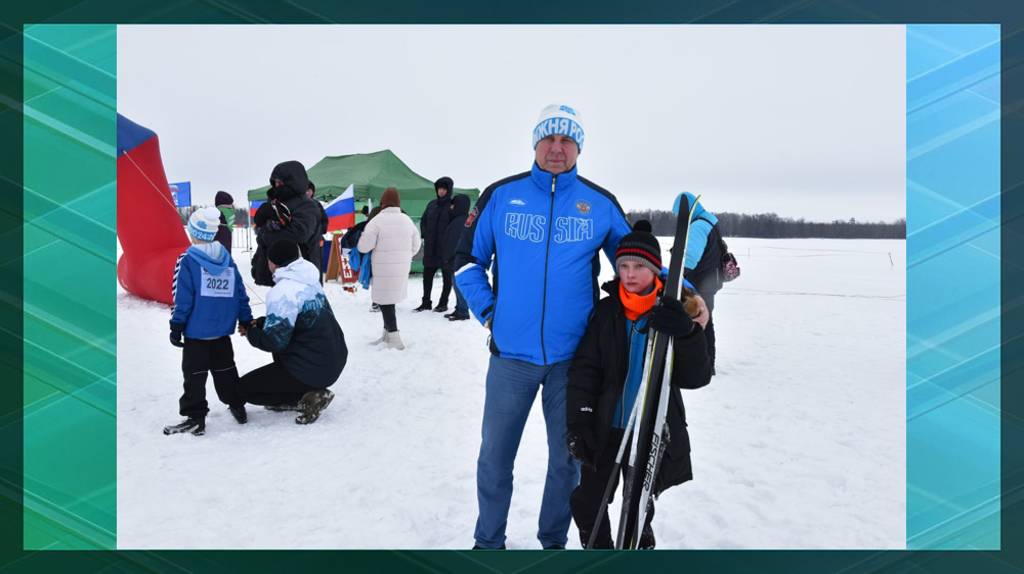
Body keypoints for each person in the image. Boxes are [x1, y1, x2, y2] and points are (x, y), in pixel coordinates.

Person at [454, 103, 632, 550]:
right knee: (494, 459)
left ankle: (553, 542)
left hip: (573, 363)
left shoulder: (601, 204)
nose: (557, 148)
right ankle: (488, 543)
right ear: (535, 143)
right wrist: (491, 313)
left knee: (568, 460)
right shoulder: (501, 196)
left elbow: (636, 265)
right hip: (510, 358)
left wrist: (683, 295)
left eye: (567, 140)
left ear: (578, 148)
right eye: (549, 138)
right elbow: (466, 262)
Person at [566, 220, 712, 549]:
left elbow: (697, 376)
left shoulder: (677, 311)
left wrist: (687, 334)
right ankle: (599, 556)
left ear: (655, 270)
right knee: (587, 503)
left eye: (639, 267)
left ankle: (638, 550)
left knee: (637, 509)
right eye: (623, 266)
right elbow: (585, 368)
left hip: (648, 429)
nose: (630, 274)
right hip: (605, 427)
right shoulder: (607, 311)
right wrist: (580, 419)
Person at [163, 207, 253, 436]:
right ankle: (237, 405)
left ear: (193, 232)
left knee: (194, 376)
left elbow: (182, 298)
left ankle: (195, 417)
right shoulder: (227, 260)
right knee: (226, 371)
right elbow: (240, 293)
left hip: (197, 334)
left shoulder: (188, 260)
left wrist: (177, 326)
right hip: (222, 333)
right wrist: (245, 318)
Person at [238, 240, 347, 424]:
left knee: (242, 390)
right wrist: (264, 323)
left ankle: (307, 397)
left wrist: (250, 332)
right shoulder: (309, 278)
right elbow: (299, 322)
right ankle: (306, 392)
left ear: (272, 263)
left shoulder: (283, 291)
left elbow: (274, 342)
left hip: (312, 368)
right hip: (333, 359)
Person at [357, 187, 420, 349]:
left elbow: (364, 247)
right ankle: (386, 336)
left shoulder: (376, 221)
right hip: (401, 268)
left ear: (382, 203)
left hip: (382, 269)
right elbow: (417, 245)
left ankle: (394, 337)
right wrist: (404, 256)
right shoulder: (407, 220)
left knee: (385, 302)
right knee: (389, 301)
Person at [251, 161, 323, 286]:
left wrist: (265, 236)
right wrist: (258, 262)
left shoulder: (307, 205)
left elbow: (299, 234)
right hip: (279, 270)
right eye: (275, 183)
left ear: (293, 182)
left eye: (281, 182)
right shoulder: (276, 203)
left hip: (300, 273)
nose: (277, 186)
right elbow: (262, 231)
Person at [679, 192, 726, 374]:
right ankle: (708, 362)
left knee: (700, 322)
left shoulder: (698, 226)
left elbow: (690, 258)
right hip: (710, 280)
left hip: (700, 283)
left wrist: (678, 276)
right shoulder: (710, 222)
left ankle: (704, 364)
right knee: (706, 322)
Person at [414, 176, 455, 313]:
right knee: (427, 276)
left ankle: (443, 303)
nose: (441, 191)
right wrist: (425, 234)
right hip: (431, 248)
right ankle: (426, 302)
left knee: (447, 277)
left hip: (445, 249)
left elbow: (455, 225)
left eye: (444, 189)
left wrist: (449, 241)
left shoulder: (452, 206)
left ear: (448, 190)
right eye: (439, 188)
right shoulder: (431, 204)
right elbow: (423, 220)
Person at [442, 194, 471, 321]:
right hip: (461, 259)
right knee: (457, 285)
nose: (451, 207)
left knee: (458, 286)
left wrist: (447, 257)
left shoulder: (459, 222)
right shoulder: (465, 220)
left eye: (453, 204)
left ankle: (463, 311)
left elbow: (452, 242)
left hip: (457, 260)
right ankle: (459, 308)